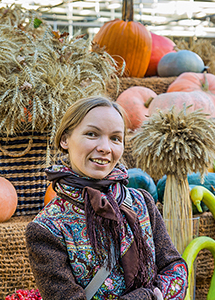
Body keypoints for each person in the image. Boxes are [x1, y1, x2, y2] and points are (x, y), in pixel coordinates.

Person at [25, 96, 188, 300]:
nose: (105, 147)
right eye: (92, 134)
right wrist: (147, 297)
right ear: (65, 139)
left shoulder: (142, 203)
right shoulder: (47, 228)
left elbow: (175, 268)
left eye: (115, 138)